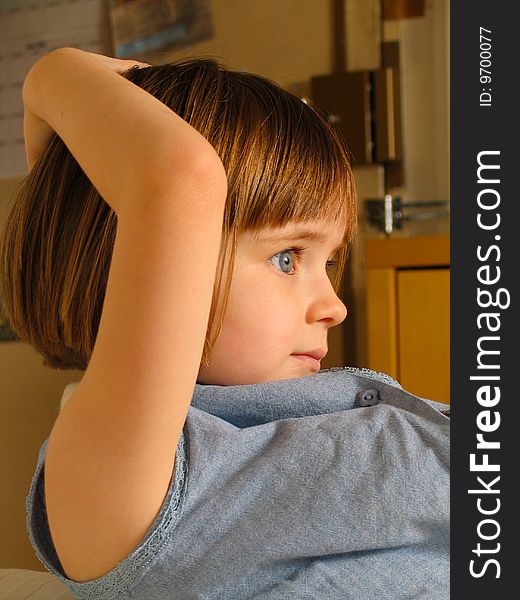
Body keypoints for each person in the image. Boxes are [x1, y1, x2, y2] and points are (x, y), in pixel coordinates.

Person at [0, 48, 449, 599]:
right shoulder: (123, 474)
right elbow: (177, 176)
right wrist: (48, 76)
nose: (335, 306)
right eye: (288, 257)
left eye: (327, 262)